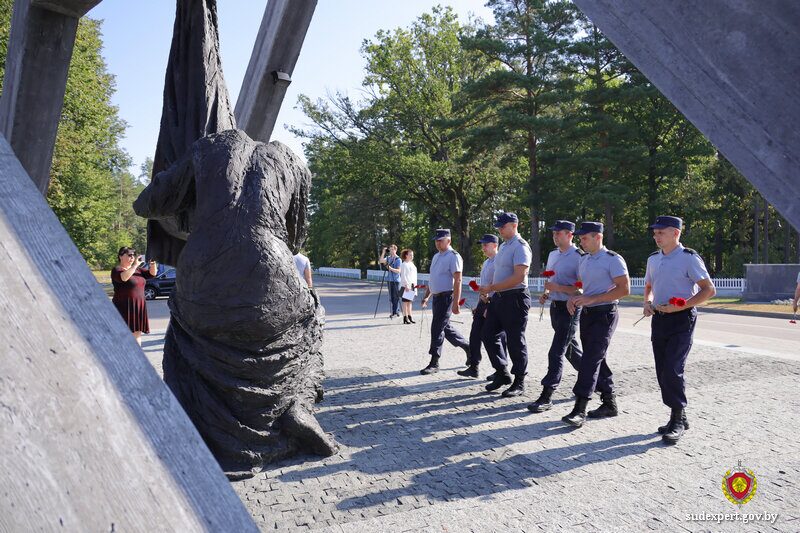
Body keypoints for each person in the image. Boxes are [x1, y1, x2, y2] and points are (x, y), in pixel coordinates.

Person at [643, 216, 716, 443]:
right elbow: (649, 285)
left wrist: (682, 305)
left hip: (682, 320)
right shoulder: (653, 259)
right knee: (662, 370)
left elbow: (708, 290)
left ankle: (677, 419)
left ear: (675, 233)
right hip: (659, 320)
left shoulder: (688, 258)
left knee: (673, 369)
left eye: (661, 232)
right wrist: (647, 302)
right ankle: (679, 415)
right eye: (655, 233)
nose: (656, 236)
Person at [562, 222, 630, 428]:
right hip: (588, 314)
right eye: (580, 238)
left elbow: (624, 289)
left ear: (597, 237)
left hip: (605, 314)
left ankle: (579, 408)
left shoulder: (613, 259)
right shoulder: (584, 260)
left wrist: (592, 299)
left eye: (584, 238)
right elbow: (584, 288)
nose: (581, 242)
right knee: (597, 358)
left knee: (590, 359)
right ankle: (609, 402)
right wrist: (574, 297)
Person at [528, 220, 585, 413]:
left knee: (556, 351)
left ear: (570, 235)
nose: (555, 236)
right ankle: (596, 380)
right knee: (570, 350)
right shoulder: (553, 254)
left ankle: (547, 395)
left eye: (558, 233)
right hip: (555, 307)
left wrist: (558, 288)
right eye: (554, 233)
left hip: (571, 308)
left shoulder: (579, 257)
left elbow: (582, 288)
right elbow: (551, 279)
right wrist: (547, 292)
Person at [479, 213, 533, 398]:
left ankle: (519, 381)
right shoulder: (503, 246)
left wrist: (492, 287)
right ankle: (502, 372)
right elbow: (499, 272)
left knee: (515, 340)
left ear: (514, 225)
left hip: (515, 297)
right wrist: (490, 293)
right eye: (499, 227)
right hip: (499, 297)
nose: (500, 230)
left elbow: (519, 276)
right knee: (488, 334)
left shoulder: (520, 246)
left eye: (503, 226)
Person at [419, 229, 470, 375]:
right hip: (436, 298)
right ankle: (467, 346)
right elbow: (433, 279)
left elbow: (458, 280)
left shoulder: (453, 256)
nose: (437, 243)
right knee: (445, 328)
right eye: (436, 240)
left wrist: (456, 303)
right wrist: (427, 296)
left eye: (440, 240)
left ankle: (434, 362)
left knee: (436, 328)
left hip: (446, 298)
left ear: (449, 240)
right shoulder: (436, 256)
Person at [458, 234, 508, 379]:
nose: (483, 248)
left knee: (497, 337)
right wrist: (479, 304)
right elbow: (485, 285)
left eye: (486, 245)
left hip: (495, 302)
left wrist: (489, 305)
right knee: (475, 334)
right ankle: (474, 366)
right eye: (482, 245)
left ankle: (501, 369)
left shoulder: (500, 262)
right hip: (483, 302)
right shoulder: (486, 262)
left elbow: (500, 284)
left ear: (495, 245)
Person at [111, 247, 157, 346]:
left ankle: (137, 354)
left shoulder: (138, 270)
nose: (132, 257)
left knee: (137, 333)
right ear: (120, 256)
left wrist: (153, 263)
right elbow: (124, 278)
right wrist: (135, 265)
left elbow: (152, 274)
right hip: (123, 306)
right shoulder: (117, 269)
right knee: (123, 333)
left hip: (138, 306)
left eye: (133, 255)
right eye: (129, 255)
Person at [379, 244, 402, 319]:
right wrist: (383, 252)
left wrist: (390, 268)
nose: (391, 251)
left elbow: (398, 271)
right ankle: (394, 311)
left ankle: (396, 312)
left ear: (395, 250)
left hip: (396, 280)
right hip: (389, 280)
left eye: (392, 249)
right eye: (390, 249)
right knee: (391, 297)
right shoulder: (388, 258)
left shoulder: (398, 259)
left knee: (396, 297)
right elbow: (381, 261)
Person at [399, 248, 418, 324]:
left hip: (412, 285)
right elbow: (403, 275)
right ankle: (405, 317)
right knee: (405, 302)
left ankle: (410, 316)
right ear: (406, 255)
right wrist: (406, 285)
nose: (412, 256)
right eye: (410, 255)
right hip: (406, 285)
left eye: (412, 255)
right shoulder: (404, 264)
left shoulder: (411, 264)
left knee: (410, 302)